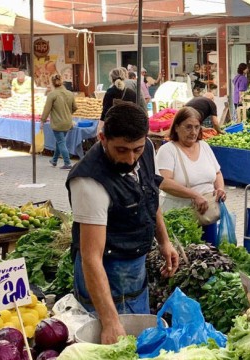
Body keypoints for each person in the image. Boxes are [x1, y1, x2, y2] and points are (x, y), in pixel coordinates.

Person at [66, 102, 180, 344]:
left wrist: (164, 241)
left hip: (134, 267)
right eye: (121, 150)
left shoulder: (147, 148)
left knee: (139, 343)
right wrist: (109, 320)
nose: (130, 158)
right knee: (110, 347)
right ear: (102, 138)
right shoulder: (89, 182)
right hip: (104, 271)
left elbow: (150, 195)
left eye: (136, 150)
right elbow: (90, 257)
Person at [156, 107, 226, 243]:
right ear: (176, 127)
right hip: (180, 218)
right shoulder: (168, 150)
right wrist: (194, 195)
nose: (193, 132)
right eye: (188, 127)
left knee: (210, 256)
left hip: (207, 215)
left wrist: (220, 189)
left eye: (197, 127)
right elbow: (164, 182)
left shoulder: (204, 146)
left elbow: (217, 172)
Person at [41, 74, 77, 170]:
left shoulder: (52, 94)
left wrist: (42, 120)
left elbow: (46, 109)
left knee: (61, 142)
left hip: (57, 123)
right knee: (60, 141)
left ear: (52, 83)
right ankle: (54, 160)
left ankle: (67, 163)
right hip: (68, 122)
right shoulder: (70, 93)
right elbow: (75, 107)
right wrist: (68, 113)